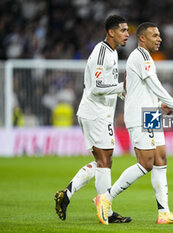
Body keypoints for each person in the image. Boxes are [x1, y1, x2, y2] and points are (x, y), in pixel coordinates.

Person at [93, 22, 173, 225]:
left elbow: (143, 89)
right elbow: (156, 86)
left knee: (160, 158)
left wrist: (158, 106)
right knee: (146, 163)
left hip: (150, 112)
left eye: (159, 35)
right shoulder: (141, 56)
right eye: (154, 35)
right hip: (139, 115)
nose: (159, 38)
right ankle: (105, 198)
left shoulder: (145, 58)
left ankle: (164, 213)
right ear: (142, 38)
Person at [54, 15, 131, 223]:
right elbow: (96, 87)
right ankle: (105, 211)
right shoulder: (101, 52)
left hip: (102, 114)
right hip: (94, 112)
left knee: (103, 161)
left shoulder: (113, 53)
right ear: (111, 32)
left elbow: (107, 86)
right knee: (104, 162)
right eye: (123, 30)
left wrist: (122, 93)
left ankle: (67, 194)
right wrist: (120, 88)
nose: (127, 34)